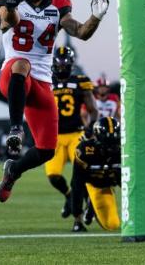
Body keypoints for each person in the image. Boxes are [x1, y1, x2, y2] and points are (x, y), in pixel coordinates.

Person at [0, 0, 109, 202]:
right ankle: (16, 129)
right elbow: (6, 22)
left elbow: (80, 32)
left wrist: (96, 17)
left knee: (47, 150)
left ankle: (13, 170)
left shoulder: (58, 5)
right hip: (13, 75)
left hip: (42, 82)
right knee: (22, 63)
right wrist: (12, 3)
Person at [46, 46, 98, 217]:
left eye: (64, 63)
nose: (61, 66)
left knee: (80, 173)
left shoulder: (80, 81)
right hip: (54, 136)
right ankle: (69, 196)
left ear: (70, 63)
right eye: (59, 63)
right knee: (53, 175)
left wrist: (90, 128)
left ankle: (84, 207)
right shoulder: (47, 80)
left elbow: (93, 110)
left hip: (76, 133)